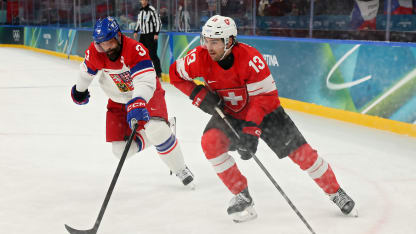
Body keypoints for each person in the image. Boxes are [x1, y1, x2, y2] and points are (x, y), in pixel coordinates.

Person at [169, 15, 357, 222]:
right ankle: (241, 194)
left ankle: (335, 192)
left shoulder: (250, 59)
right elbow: (175, 73)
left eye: (215, 42)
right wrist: (197, 94)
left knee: (304, 155)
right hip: (230, 113)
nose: (208, 46)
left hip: (267, 114)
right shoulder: (199, 57)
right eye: (206, 40)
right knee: (210, 144)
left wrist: (251, 132)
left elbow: (264, 98)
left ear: (229, 41)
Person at [71, 17, 194, 188]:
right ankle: (161, 131)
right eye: (102, 44)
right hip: (118, 99)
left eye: (110, 42)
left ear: (119, 36)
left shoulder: (135, 49)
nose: (106, 48)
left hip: (147, 94)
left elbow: (144, 81)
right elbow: (86, 71)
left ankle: (180, 167)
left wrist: (138, 101)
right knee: (120, 151)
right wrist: (80, 90)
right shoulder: (96, 51)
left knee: (156, 130)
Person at [133, 0, 162, 78]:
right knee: (140, 53)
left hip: (151, 35)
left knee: (152, 54)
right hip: (143, 35)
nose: (144, 1)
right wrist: (136, 31)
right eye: (142, 0)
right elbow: (139, 22)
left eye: (145, 0)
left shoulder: (152, 9)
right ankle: (143, 71)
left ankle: (158, 74)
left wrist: (156, 33)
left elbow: (158, 22)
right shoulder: (141, 11)